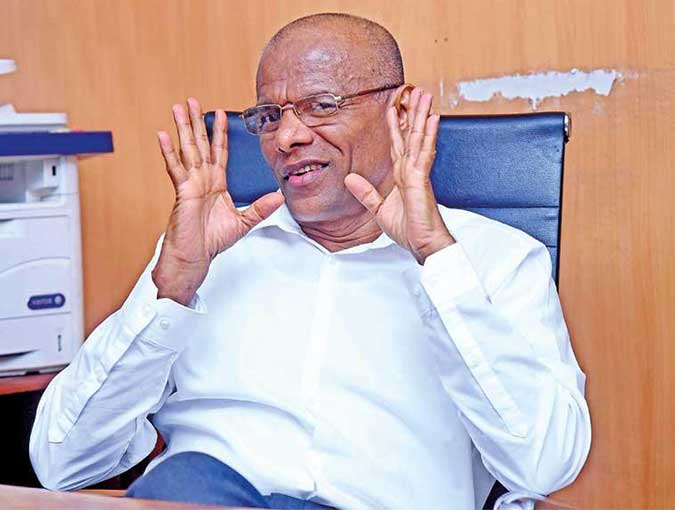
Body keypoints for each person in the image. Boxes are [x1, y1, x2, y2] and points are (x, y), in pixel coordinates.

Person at [29, 12, 591, 510]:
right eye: (270, 116)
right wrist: (171, 288)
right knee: (188, 477)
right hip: (202, 496)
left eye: (322, 106)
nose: (287, 137)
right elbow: (62, 462)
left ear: (399, 112)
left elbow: (543, 467)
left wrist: (435, 258)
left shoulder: (493, 259)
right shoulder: (205, 255)